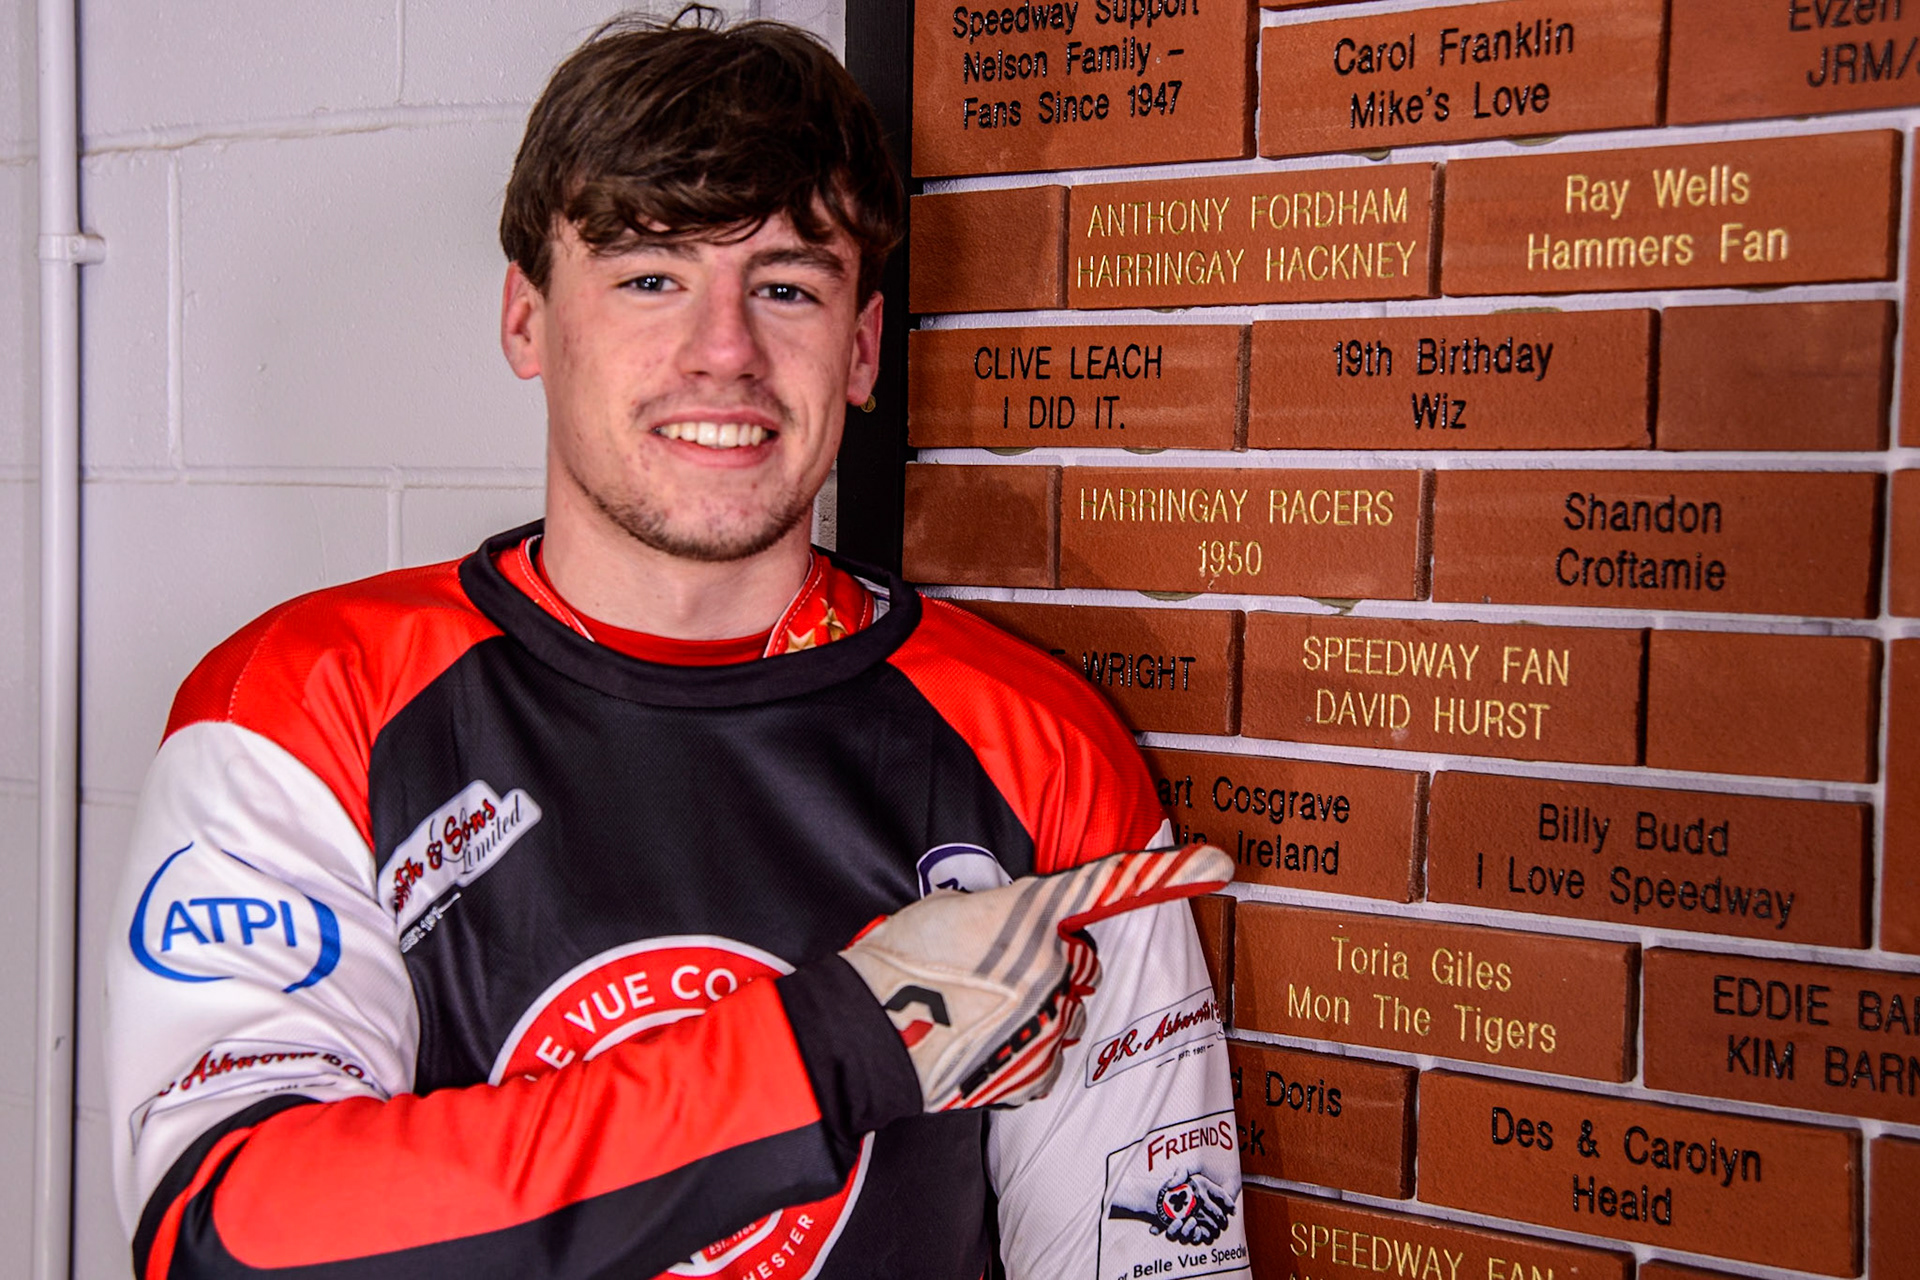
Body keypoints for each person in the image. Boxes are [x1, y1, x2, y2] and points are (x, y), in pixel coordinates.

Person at [105, 9, 1250, 1279]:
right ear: (529, 321)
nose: (725, 352)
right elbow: (231, 1233)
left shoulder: (1032, 744)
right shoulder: (307, 704)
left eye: (786, 286)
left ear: (861, 348)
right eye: (650, 275)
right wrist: (834, 1049)